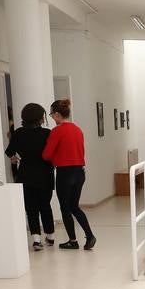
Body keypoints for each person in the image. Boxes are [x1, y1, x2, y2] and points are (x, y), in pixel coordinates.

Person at [42, 98, 96, 250]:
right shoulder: (78, 129)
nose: (52, 118)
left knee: (65, 208)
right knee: (75, 206)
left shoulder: (57, 131)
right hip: (80, 172)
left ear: (58, 114)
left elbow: (46, 155)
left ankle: (73, 240)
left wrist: (55, 158)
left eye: (52, 114)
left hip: (65, 173)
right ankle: (90, 235)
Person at [4, 102, 56, 250]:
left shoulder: (18, 133)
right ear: (40, 118)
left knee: (31, 208)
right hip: (45, 174)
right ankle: (50, 236)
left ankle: (36, 239)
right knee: (45, 206)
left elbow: (9, 152)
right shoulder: (47, 133)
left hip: (26, 174)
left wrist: (15, 158)